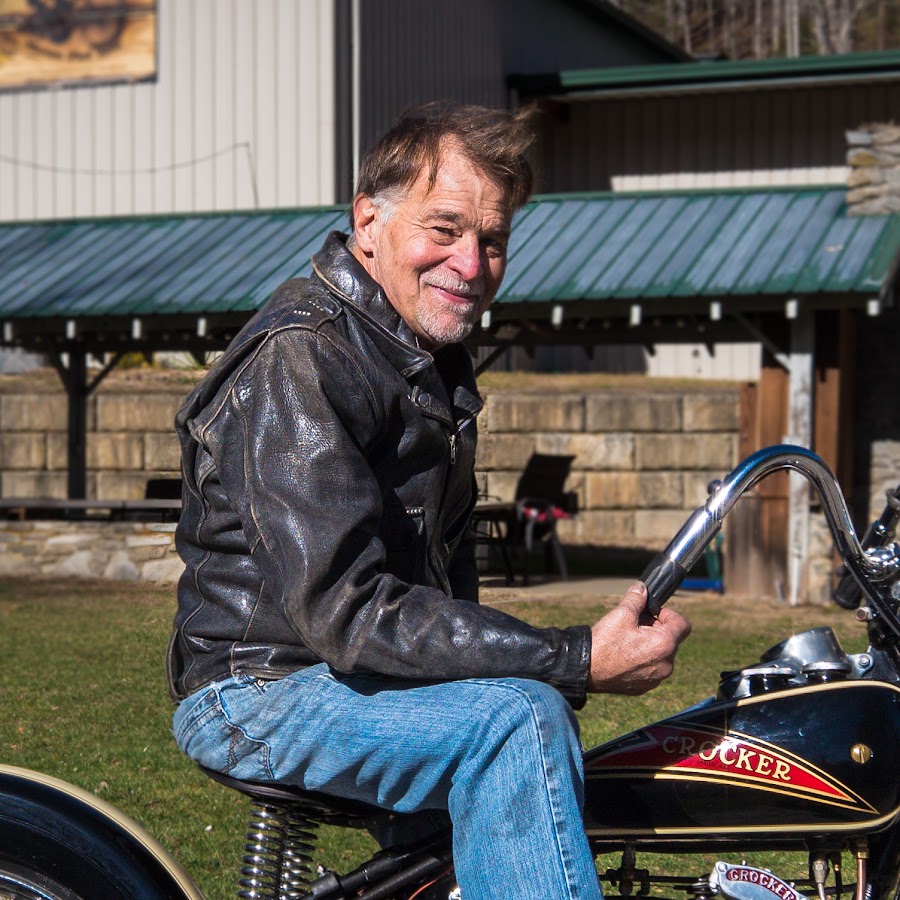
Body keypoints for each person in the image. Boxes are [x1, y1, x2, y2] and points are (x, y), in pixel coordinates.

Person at [167, 102, 691, 899]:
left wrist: (543, 667)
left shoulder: (420, 360)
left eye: (492, 241)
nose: (471, 265)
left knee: (526, 721)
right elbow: (345, 609)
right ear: (368, 220)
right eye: (444, 229)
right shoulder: (303, 357)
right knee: (511, 722)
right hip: (261, 689)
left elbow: (444, 585)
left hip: (349, 679)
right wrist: (576, 657)